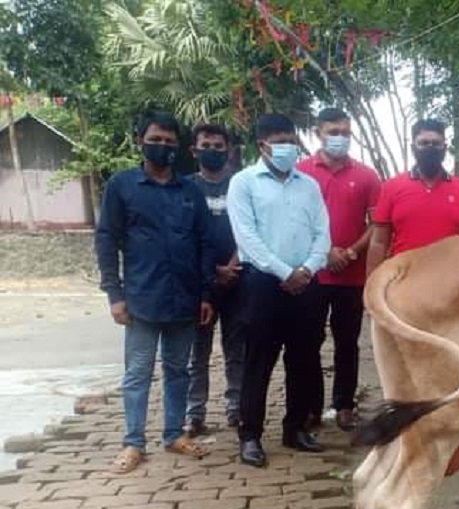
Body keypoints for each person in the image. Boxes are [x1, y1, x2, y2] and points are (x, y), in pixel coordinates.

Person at [94, 111, 215, 474]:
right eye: (155, 140)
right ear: (140, 141)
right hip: (141, 300)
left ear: (178, 147)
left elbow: (204, 242)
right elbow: (106, 240)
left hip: (185, 299)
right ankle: (133, 443)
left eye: (168, 141)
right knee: (138, 372)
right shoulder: (122, 186)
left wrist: (206, 293)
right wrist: (114, 294)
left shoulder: (190, 190)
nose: (162, 147)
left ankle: (174, 434)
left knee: (179, 370)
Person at [227, 113, 330, 468]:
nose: (287, 146)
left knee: (303, 359)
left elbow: (323, 234)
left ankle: (295, 428)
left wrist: (307, 269)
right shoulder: (244, 183)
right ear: (263, 145)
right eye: (279, 139)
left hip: (306, 283)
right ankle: (250, 435)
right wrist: (285, 271)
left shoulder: (309, 185)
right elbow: (247, 238)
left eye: (291, 139)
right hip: (262, 284)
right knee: (259, 360)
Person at [297, 108, 381, 432]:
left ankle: (344, 404)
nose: (340, 137)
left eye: (346, 132)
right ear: (319, 132)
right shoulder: (301, 172)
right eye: (334, 131)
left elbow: (377, 224)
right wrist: (324, 252)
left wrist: (350, 252)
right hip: (312, 273)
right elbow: (295, 222)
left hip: (352, 274)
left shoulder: (367, 176)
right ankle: (311, 407)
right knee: (309, 340)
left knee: (347, 342)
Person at [183, 123, 244, 436]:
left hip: (239, 280)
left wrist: (232, 265)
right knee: (198, 353)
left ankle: (236, 409)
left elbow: (251, 229)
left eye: (219, 146)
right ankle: (195, 414)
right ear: (194, 150)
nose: (213, 151)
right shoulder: (185, 188)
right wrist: (212, 272)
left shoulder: (241, 185)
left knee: (237, 350)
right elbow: (185, 236)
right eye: (206, 145)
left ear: (228, 150)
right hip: (201, 285)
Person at [367, 118, 459, 275]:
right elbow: (379, 243)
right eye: (423, 143)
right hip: (404, 282)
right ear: (413, 147)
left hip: (454, 285)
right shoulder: (391, 187)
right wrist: (371, 285)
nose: (430, 148)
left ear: (444, 148)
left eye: (436, 143)